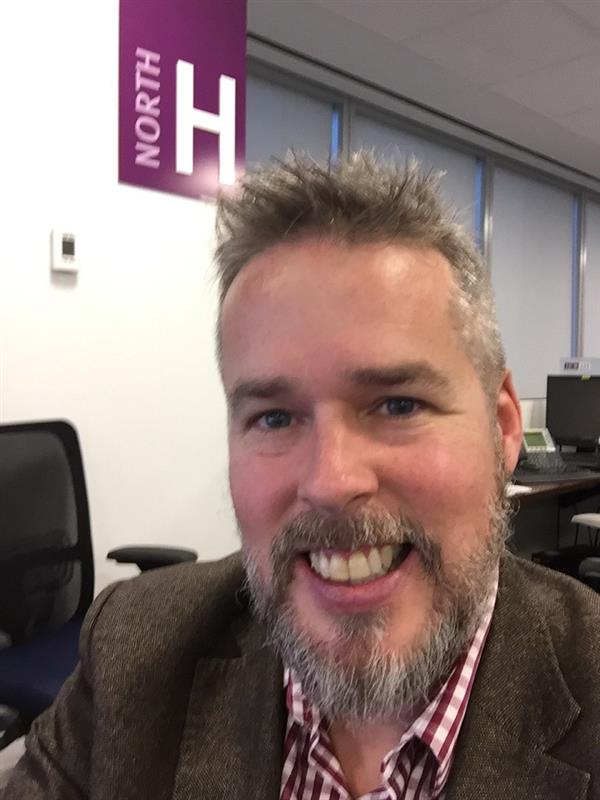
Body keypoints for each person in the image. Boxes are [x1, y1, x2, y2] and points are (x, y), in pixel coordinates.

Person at [4, 153, 600, 800]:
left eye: (398, 405)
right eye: (275, 418)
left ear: (503, 427)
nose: (331, 481)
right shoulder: (133, 652)